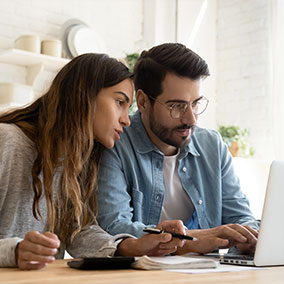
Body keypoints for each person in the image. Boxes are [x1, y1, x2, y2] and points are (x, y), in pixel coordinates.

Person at [0, 53, 186, 270]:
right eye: (119, 102)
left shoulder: (77, 161)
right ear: (84, 96)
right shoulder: (7, 141)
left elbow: (78, 231)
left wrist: (130, 246)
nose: (126, 120)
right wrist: (14, 251)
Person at [97, 43, 259, 256]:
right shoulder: (115, 144)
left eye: (195, 104)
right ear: (144, 102)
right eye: (177, 106)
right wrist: (192, 241)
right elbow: (113, 227)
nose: (191, 118)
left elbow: (240, 216)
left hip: (211, 273)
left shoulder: (212, 145)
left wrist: (249, 237)